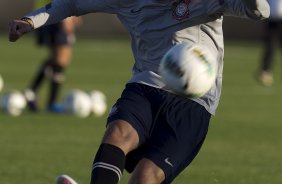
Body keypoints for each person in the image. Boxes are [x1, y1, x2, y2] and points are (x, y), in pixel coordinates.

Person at [9, 0, 270, 183]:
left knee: (145, 177)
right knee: (117, 134)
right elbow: (73, 3)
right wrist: (30, 21)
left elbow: (261, 11)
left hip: (195, 103)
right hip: (145, 86)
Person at [23, 0, 81, 112]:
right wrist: (67, 17)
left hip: (45, 12)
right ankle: (47, 100)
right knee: (61, 59)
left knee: (58, 60)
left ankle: (35, 94)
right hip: (56, 13)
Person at [256, 0, 282, 86]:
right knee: (270, 45)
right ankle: (265, 71)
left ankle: (265, 71)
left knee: (270, 45)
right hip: (272, 18)